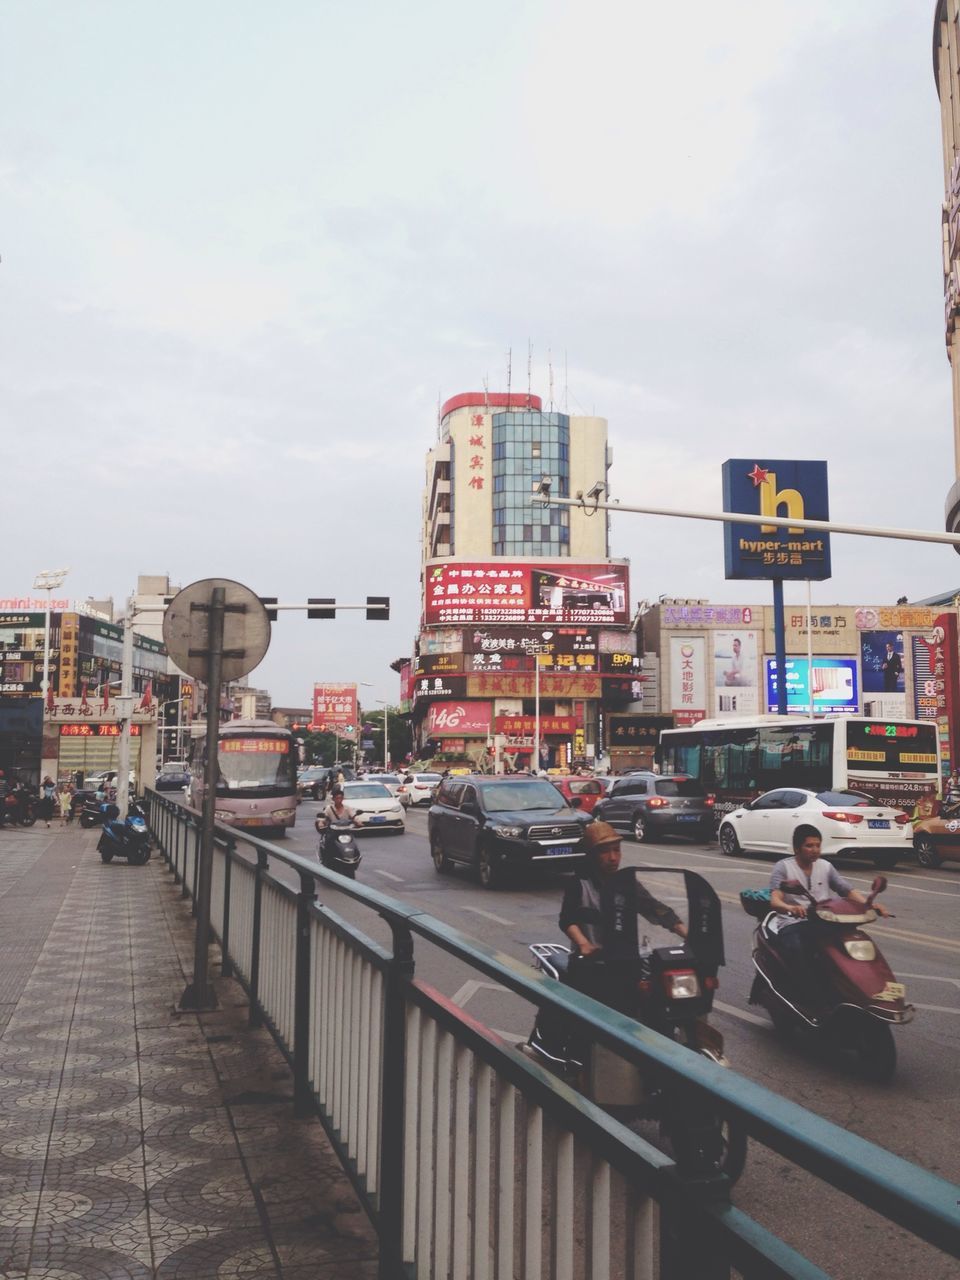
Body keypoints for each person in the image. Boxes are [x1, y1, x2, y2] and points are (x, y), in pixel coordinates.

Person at [769, 824, 890, 1003]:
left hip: (824, 922)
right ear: (797, 848)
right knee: (797, 949)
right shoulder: (784, 867)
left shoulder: (825, 866)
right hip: (793, 924)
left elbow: (846, 890)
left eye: (818, 845)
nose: (815, 850)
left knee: (847, 946)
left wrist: (868, 905)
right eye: (809, 846)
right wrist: (790, 908)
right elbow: (775, 900)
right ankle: (805, 994)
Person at [560, 821, 688, 958]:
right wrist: (584, 944)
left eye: (616, 850)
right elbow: (567, 920)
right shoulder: (579, 883)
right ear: (591, 854)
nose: (613, 858)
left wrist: (686, 933)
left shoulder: (627, 883)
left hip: (625, 958)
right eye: (604, 852)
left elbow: (655, 908)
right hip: (590, 960)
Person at [315, 786, 360, 866]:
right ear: (333, 799)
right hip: (333, 832)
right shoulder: (329, 809)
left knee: (353, 841)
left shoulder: (347, 808)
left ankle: (355, 857)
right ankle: (327, 859)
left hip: (346, 831)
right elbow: (323, 818)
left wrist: (358, 822)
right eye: (337, 798)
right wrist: (321, 823)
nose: (339, 800)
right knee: (328, 842)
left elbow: (354, 816)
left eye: (340, 798)